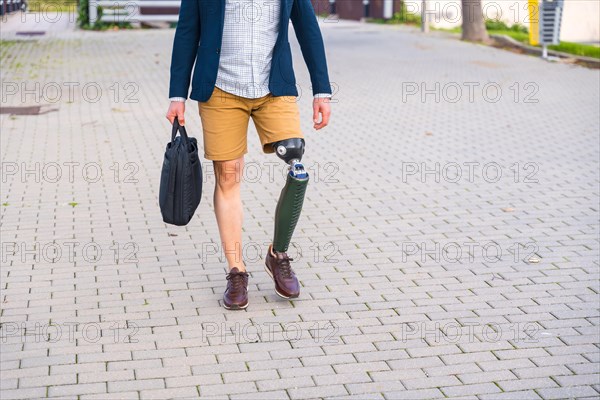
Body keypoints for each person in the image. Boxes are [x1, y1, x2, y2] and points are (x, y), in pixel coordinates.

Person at [166, 0, 332, 310]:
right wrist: (177, 94)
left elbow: (308, 29)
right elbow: (187, 31)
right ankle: (236, 270)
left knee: (297, 163)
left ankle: (278, 254)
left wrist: (322, 91)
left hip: (275, 87)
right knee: (228, 176)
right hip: (220, 89)